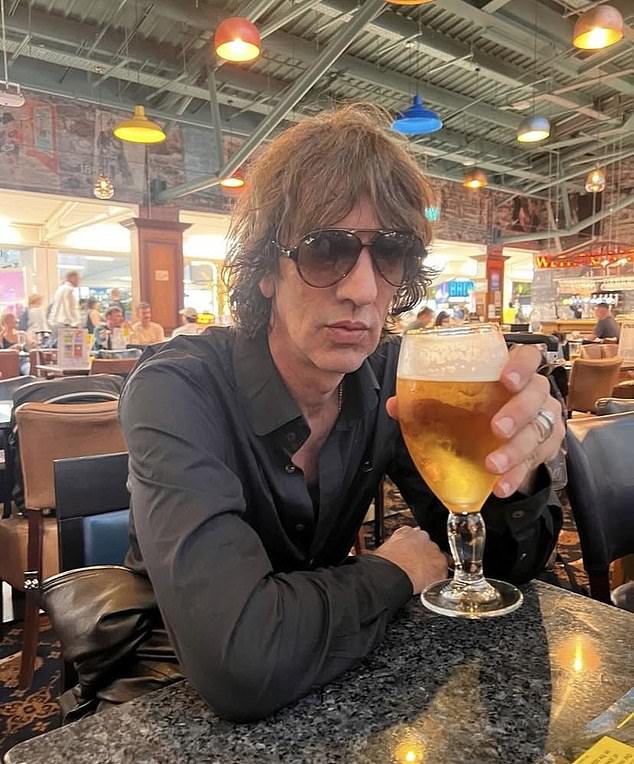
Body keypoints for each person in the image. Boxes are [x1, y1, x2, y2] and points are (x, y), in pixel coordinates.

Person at [120, 104, 564, 723]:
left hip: (333, 667)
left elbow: (499, 573)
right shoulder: (177, 389)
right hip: (166, 685)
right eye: (325, 249)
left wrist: (523, 466)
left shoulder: (392, 382)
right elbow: (239, 662)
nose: (361, 289)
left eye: (390, 253)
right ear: (267, 272)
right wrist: (392, 571)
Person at [49, 271, 81, 343]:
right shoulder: (68, 289)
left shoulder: (60, 289)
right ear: (72, 278)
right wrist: (74, 322)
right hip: (65, 324)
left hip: (57, 323)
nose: (79, 281)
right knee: (66, 347)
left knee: (56, 346)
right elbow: (68, 307)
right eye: (78, 279)